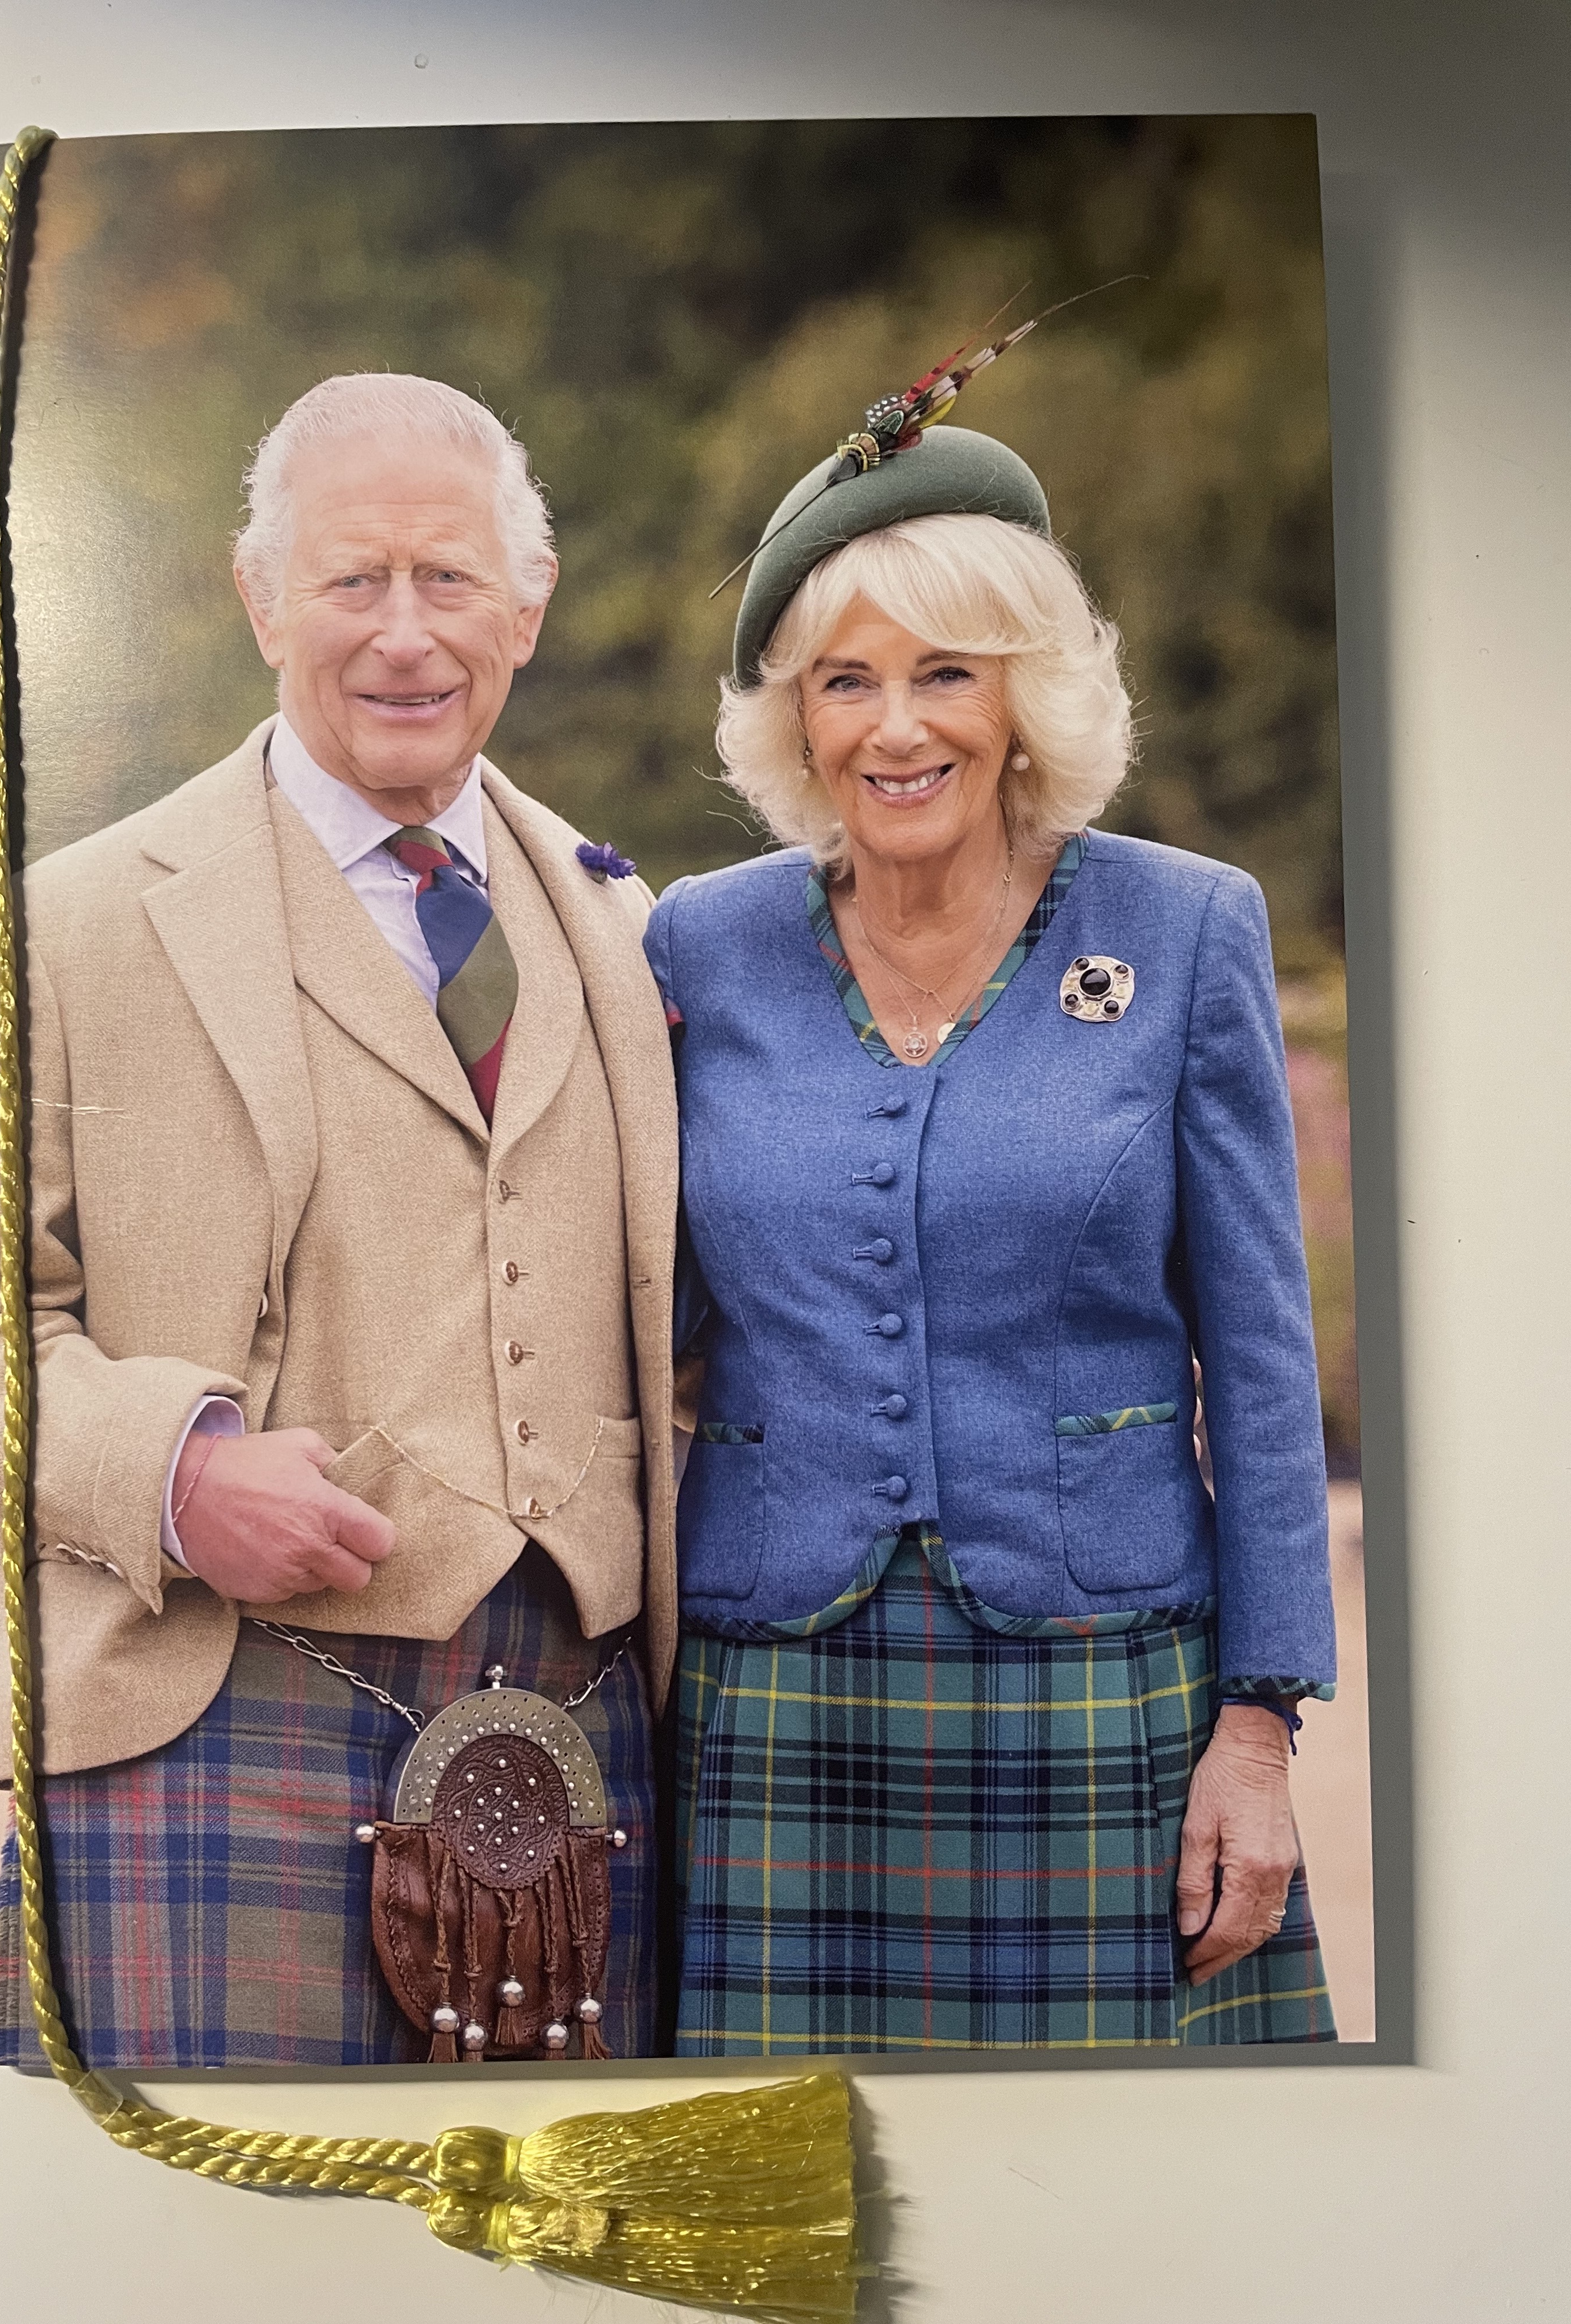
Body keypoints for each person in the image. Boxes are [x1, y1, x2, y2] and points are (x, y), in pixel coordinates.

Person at [0, 373, 678, 2068]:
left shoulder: (627, 923)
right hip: (208, 1709)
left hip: (579, 1725)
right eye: (351, 578)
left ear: (528, 608)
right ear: (260, 598)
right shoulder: (65, 927)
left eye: (447, 579)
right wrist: (171, 1474)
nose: (402, 634)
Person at [646, 423, 1338, 2053]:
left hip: (1105, 1673)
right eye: (846, 680)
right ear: (793, 718)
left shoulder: (1183, 932)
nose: (898, 728)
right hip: (775, 1685)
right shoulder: (699, 943)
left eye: (946, 673)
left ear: (1023, 696)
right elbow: (625, 1296)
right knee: (797, 2189)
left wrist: (1260, 1726)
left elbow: (1259, 1361)